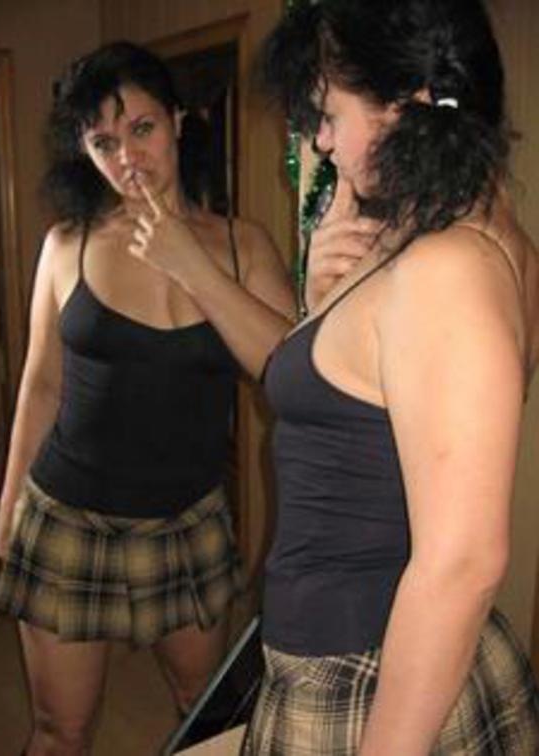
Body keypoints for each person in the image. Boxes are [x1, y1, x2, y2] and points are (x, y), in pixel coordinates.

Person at [129, 0, 539, 753]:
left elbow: (464, 562)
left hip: (366, 678)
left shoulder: (446, 267)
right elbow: (363, 407)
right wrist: (321, 301)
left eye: (328, 114)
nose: (320, 140)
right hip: (368, 650)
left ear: (410, 103)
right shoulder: (460, 235)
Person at [0, 40, 296, 756]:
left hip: (187, 523)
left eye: (142, 128)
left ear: (179, 121)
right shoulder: (67, 244)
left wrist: (192, 265)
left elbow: (290, 378)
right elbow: (42, 382)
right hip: (67, 518)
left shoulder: (242, 246)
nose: (127, 156)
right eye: (103, 142)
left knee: (204, 718)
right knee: (59, 732)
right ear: (84, 151)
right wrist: (9, 504)